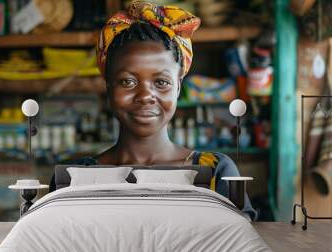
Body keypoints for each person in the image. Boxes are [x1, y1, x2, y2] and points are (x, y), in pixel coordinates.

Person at [50, 1, 257, 220]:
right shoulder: (75, 177)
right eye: (128, 82)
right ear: (108, 87)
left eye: (161, 82)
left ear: (178, 87)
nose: (145, 96)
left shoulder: (216, 172)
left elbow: (240, 246)